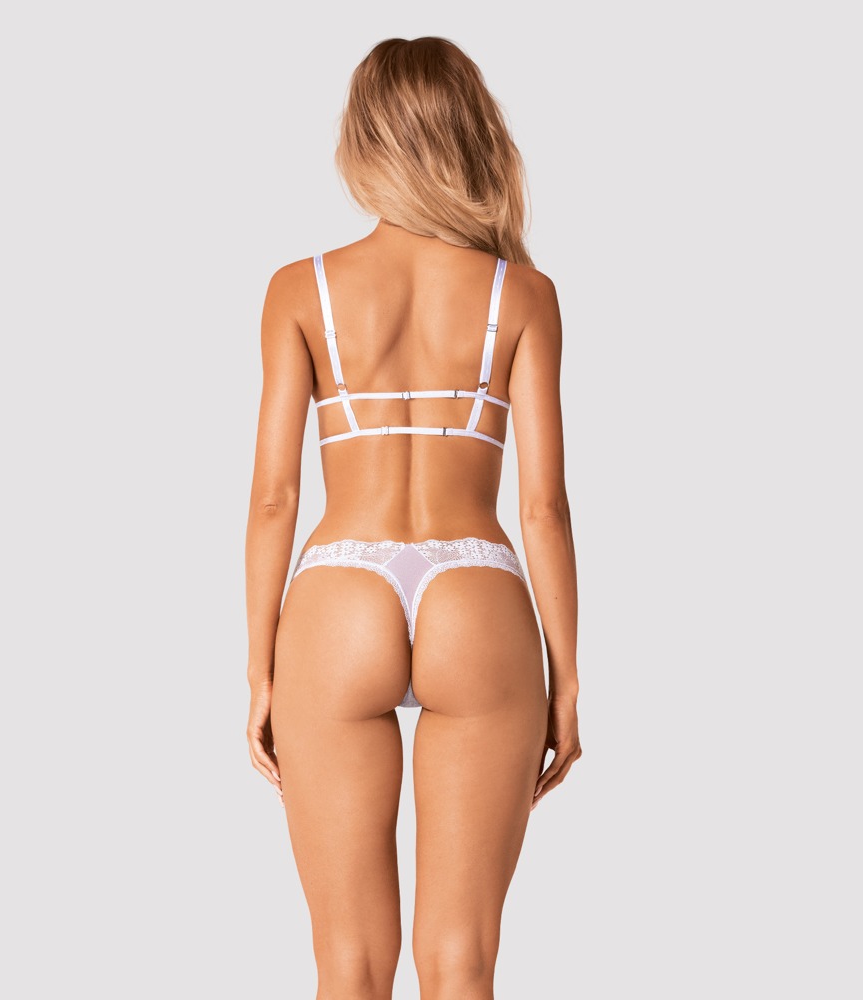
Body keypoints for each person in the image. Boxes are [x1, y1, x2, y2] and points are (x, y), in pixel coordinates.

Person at [246, 35, 580, 1000]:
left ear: (365, 139)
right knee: (462, 961)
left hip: (336, 598)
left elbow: (274, 498)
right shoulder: (523, 293)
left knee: (348, 965)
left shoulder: (299, 289)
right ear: (472, 133)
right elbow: (544, 506)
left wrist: (260, 671)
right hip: (477, 594)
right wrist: (565, 680)